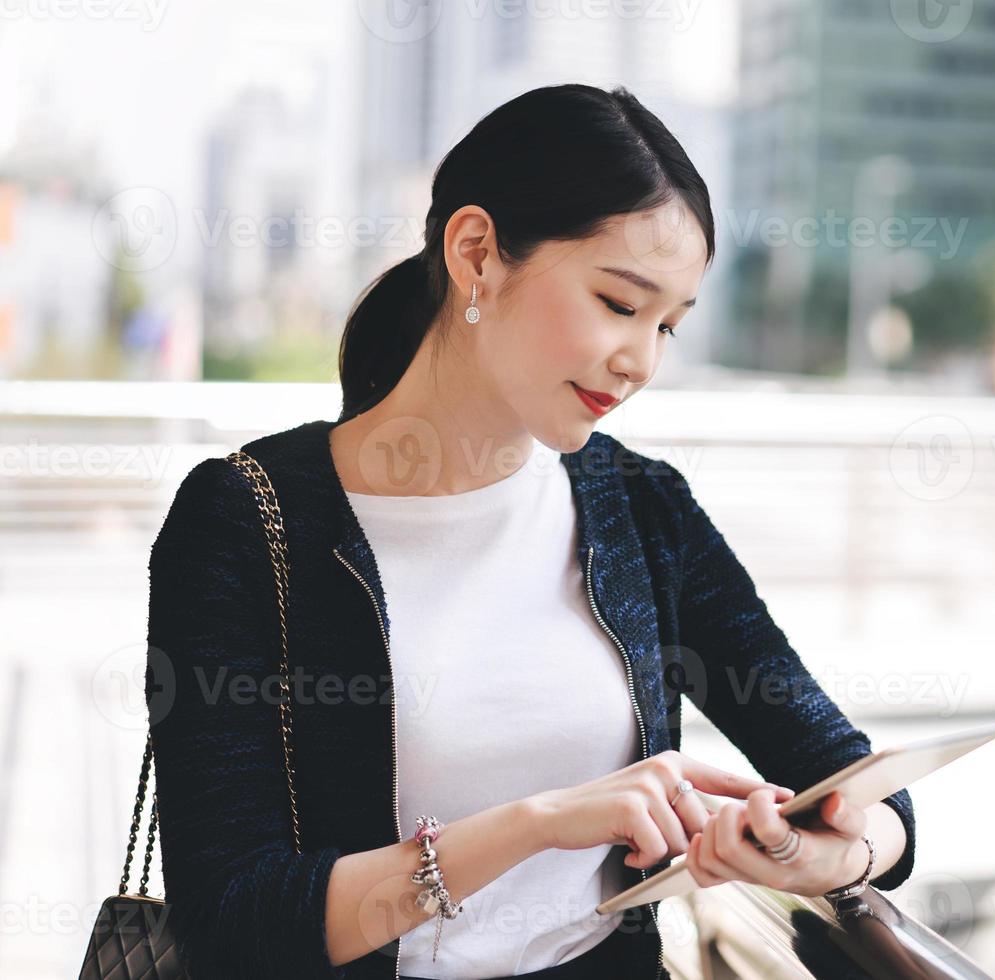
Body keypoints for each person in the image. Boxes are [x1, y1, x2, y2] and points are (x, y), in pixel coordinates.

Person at [145, 84, 914, 980]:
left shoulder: (642, 508)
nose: (642, 362)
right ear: (477, 253)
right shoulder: (245, 520)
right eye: (620, 305)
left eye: (669, 324)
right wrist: (539, 822)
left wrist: (831, 859)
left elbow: (859, 785)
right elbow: (234, 914)